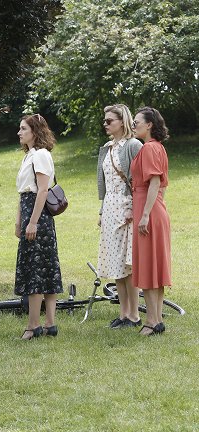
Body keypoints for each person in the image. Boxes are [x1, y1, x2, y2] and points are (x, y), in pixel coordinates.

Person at [14, 114, 63, 340]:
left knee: (39, 270)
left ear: (35, 131)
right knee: (41, 267)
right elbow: (23, 193)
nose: (19, 132)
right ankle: (48, 324)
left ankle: (35, 324)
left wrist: (32, 221)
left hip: (38, 216)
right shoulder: (30, 156)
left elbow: (42, 190)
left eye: (24, 128)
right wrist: (19, 221)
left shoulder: (41, 155)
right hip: (29, 212)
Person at [97, 104, 142, 329]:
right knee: (116, 263)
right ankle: (123, 313)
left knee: (129, 264)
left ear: (121, 121)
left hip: (127, 208)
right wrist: (101, 211)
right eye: (104, 121)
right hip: (110, 208)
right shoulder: (107, 148)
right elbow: (104, 184)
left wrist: (133, 208)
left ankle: (134, 314)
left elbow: (139, 180)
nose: (105, 124)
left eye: (109, 121)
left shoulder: (133, 145)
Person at [131, 107, 172, 335]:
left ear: (149, 125)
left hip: (148, 208)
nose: (134, 125)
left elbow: (155, 182)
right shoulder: (157, 148)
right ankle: (155, 319)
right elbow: (161, 186)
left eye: (137, 122)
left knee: (148, 265)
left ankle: (151, 321)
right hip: (152, 207)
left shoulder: (149, 148)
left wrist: (145, 214)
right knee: (154, 266)